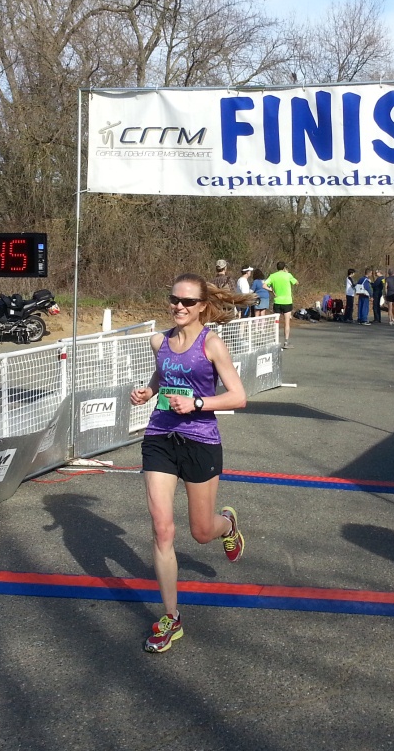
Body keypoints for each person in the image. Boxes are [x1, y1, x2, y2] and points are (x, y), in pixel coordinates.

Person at [129, 274, 252, 653]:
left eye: (187, 302)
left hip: (200, 441)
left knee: (200, 532)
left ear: (202, 306)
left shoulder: (212, 345)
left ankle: (226, 523)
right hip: (160, 438)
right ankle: (171, 617)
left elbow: (238, 397)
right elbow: (163, 376)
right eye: (174, 300)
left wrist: (198, 403)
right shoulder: (159, 341)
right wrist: (148, 391)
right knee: (162, 529)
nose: (178, 307)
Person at [265, 261, 298, 348]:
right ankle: (286, 342)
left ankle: (274, 341)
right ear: (284, 268)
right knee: (287, 322)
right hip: (287, 301)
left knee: (276, 322)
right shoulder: (288, 275)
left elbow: (264, 285)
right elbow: (296, 283)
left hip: (277, 301)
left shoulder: (273, 276)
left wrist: (271, 290)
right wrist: (288, 275)